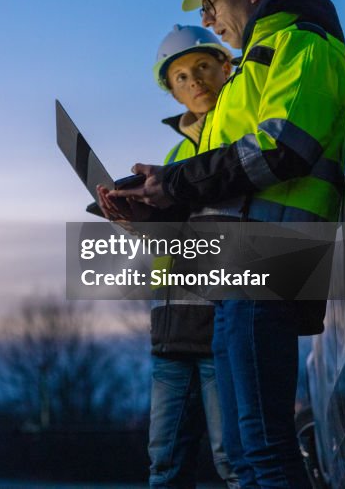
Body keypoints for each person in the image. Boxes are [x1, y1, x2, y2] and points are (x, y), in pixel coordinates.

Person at [102, 0, 345, 488]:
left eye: (213, 4)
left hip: (272, 261)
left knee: (262, 451)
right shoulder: (252, 69)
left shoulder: (303, 44)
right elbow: (225, 186)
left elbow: (284, 148)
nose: (211, 21)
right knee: (244, 455)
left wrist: (177, 181)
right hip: (239, 271)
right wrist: (157, 205)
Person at [103, 25, 240, 488]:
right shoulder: (176, 154)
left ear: (227, 66)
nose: (194, 81)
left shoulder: (242, 131)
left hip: (226, 325)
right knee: (163, 465)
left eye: (202, 66)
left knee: (235, 461)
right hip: (171, 331)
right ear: (172, 90)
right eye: (180, 76)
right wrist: (133, 219)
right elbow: (175, 240)